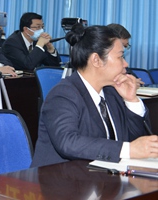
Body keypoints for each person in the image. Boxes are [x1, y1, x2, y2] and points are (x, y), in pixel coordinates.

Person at [32, 24, 158, 167]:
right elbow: (68, 142)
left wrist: (131, 100)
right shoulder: (63, 94)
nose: (126, 63)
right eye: (120, 57)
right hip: (60, 176)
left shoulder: (111, 92)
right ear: (96, 60)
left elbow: (135, 140)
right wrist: (128, 149)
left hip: (102, 175)